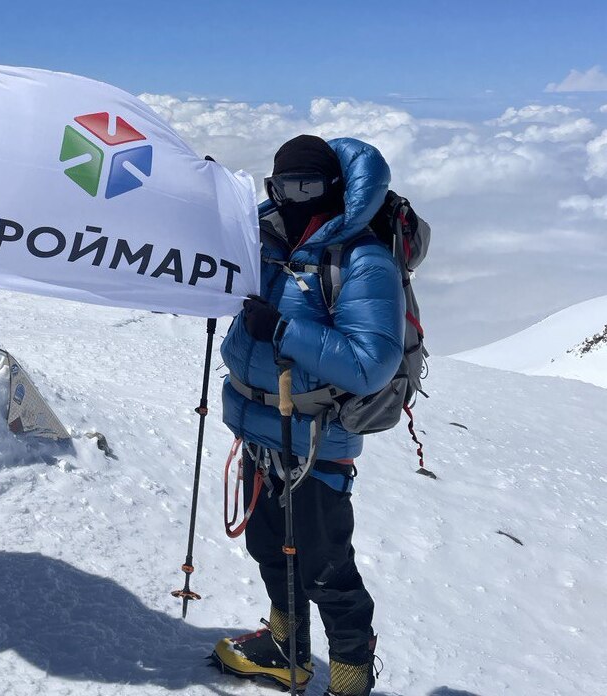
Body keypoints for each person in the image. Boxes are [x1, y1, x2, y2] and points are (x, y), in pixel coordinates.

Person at [211, 135, 404, 696]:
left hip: (317, 442)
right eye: (282, 186)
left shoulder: (362, 259)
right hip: (260, 431)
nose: (292, 197)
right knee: (271, 549)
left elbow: (371, 363)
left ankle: (349, 678)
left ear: (335, 188)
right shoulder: (267, 241)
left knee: (326, 569)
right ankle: (285, 649)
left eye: (307, 186)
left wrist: (282, 331)